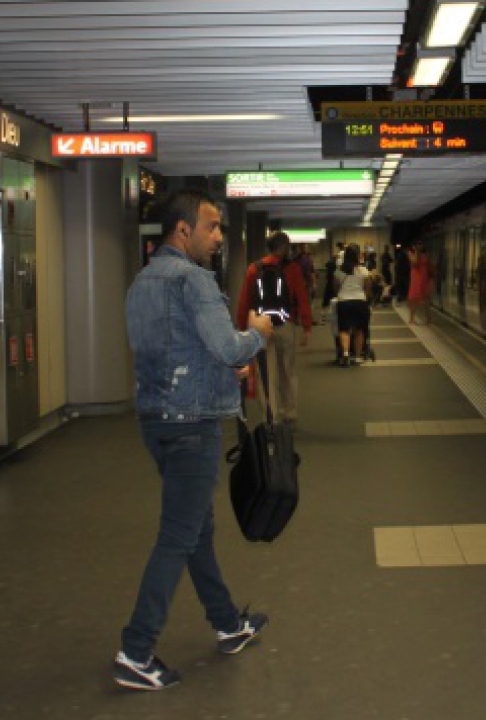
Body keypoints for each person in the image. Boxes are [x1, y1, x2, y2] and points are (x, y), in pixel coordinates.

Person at [117, 189, 272, 691]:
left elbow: (173, 349)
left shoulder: (140, 284)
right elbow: (228, 345)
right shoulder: (194, 281)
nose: (218, 236)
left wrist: (224, 364)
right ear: (183, 230)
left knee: (197, 530)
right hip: (193, 426)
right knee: (179, 536)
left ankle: (227, 623)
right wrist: (258, 335)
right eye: (211, 227)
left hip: (155, 424)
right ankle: (136, 651)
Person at [235, 231, 312, 428]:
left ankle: (272, 414)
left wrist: (242, 328)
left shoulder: (254, 268)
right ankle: (290, 412)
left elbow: (245, 301)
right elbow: (301, 297)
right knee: (288, 370)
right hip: (285, 324)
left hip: (262, 327)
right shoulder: (292, 268)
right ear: (284, 247)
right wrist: (306, 326)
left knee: (265, 373)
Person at [334, 244, 372, 365]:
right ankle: (357, 357)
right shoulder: (363, 270)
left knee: (344, 329)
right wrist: (364, 297)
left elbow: (335, 288)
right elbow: (368, 287)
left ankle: (345, 354)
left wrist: (342, 295)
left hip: (344, 302)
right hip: (360, 301)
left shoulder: (339, 271)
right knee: (359, 330)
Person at [407, 241, 432, 324]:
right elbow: (415, 262)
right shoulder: (411, 253)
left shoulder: (426, 254)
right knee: (414, 297)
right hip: (416, 278)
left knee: (426, 298)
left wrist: (431, 277)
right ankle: (412, 318)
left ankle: (428, 318)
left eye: (420, 244)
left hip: (425, 277)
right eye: (417, 244)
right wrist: (417, 252)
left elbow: (429, 265)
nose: (419, 246)